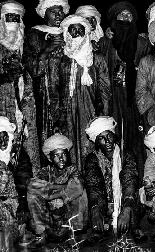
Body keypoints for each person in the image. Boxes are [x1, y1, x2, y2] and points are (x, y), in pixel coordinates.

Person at [99, 1, 152, 183]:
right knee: (115, 136)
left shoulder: (142, 42)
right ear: (114, 19)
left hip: (134, 98)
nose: (125, 18)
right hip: (114, 97)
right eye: (121, 15)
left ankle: (138, 181)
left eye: (129, 15)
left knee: (136, 137)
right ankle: (115, 181)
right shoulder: (106, 42)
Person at [58, 15, 111, 170]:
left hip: (91, 111)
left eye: (80, 30)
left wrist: (104, 118)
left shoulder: (97, 58)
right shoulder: (61, 58)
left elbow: (105, 90)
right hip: (66, 113)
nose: (76, 34)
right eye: (72, 30)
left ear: (86, 33)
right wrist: (56, 117)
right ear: (67, 33)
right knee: (68, 148)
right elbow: (54, 88)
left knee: (90, 150)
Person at [23, 0, 69, 167]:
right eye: (53, 12)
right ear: (45, 14)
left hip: (68, 98)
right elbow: (33, 69)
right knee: (46, 140)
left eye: (60, 11)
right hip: (44, 99)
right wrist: (47, 49)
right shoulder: (35, 34)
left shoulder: (70, 31)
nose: (58, 15)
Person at [83, 116, 143, 241]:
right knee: (88, 199)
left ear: (114, 135)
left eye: (109, 136)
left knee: (135, 194)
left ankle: (135, 226)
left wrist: (126, 209)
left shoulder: (126, 154)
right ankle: (99, 228)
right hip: (104, 202)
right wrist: (95, 210)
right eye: (102, 138)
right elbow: (94, 186)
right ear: (97, 141)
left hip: (124, 200)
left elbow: (129, 181)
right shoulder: (92, 159)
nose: (108, 141)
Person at [0, 1, 40, 173]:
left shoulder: (26, 47)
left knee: (28, 155)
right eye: (9, 17)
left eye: (17, 18)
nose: (13, 22)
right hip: (2, 109)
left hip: (25, 109)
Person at [27, 134, 86, 248]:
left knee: (81, 192)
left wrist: (52, 195)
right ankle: (42, 234)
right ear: (50, 158)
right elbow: (32, 186)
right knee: (33, 194)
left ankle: (74, 233)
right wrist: (64, 188)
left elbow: (77, 186)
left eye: (64, 154)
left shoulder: (72, 170)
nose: (61, 158)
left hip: (68, 216)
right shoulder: (45, 171)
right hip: (49, 218)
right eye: (56, 155)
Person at [0, 116, 30, 250]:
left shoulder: (18, 154)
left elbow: (24, 181)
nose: (2, 142)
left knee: (7, 243)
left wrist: (23, 206)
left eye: (4, 136)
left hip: (12, 203)